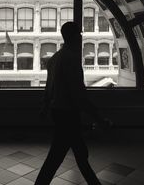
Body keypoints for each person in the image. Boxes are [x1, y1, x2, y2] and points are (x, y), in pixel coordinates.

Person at [35, 22, 112, 185]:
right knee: (64, 156)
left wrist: (44, 107)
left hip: (58, 113)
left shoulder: (55, 58)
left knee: (74, 154)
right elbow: (78, 93)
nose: (81, 37)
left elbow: (49, 88)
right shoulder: (71, 59)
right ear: (75, 36)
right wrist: (98, 118)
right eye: (79, 34)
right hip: (69, 114)